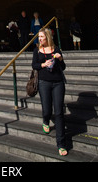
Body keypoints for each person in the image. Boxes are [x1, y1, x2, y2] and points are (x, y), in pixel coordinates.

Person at [32, 28, 67, 157]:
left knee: (59, 113)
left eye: (42, 37)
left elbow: (63, 67)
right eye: (39, 37)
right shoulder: (37, 51)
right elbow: (34, 65)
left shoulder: (56, 49)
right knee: (47, 110)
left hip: (58, 83)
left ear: (47, 37)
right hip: (43, 83)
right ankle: (45, 120)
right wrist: (43, 65)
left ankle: (61, 143)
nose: (40, 39)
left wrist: (61, 59)